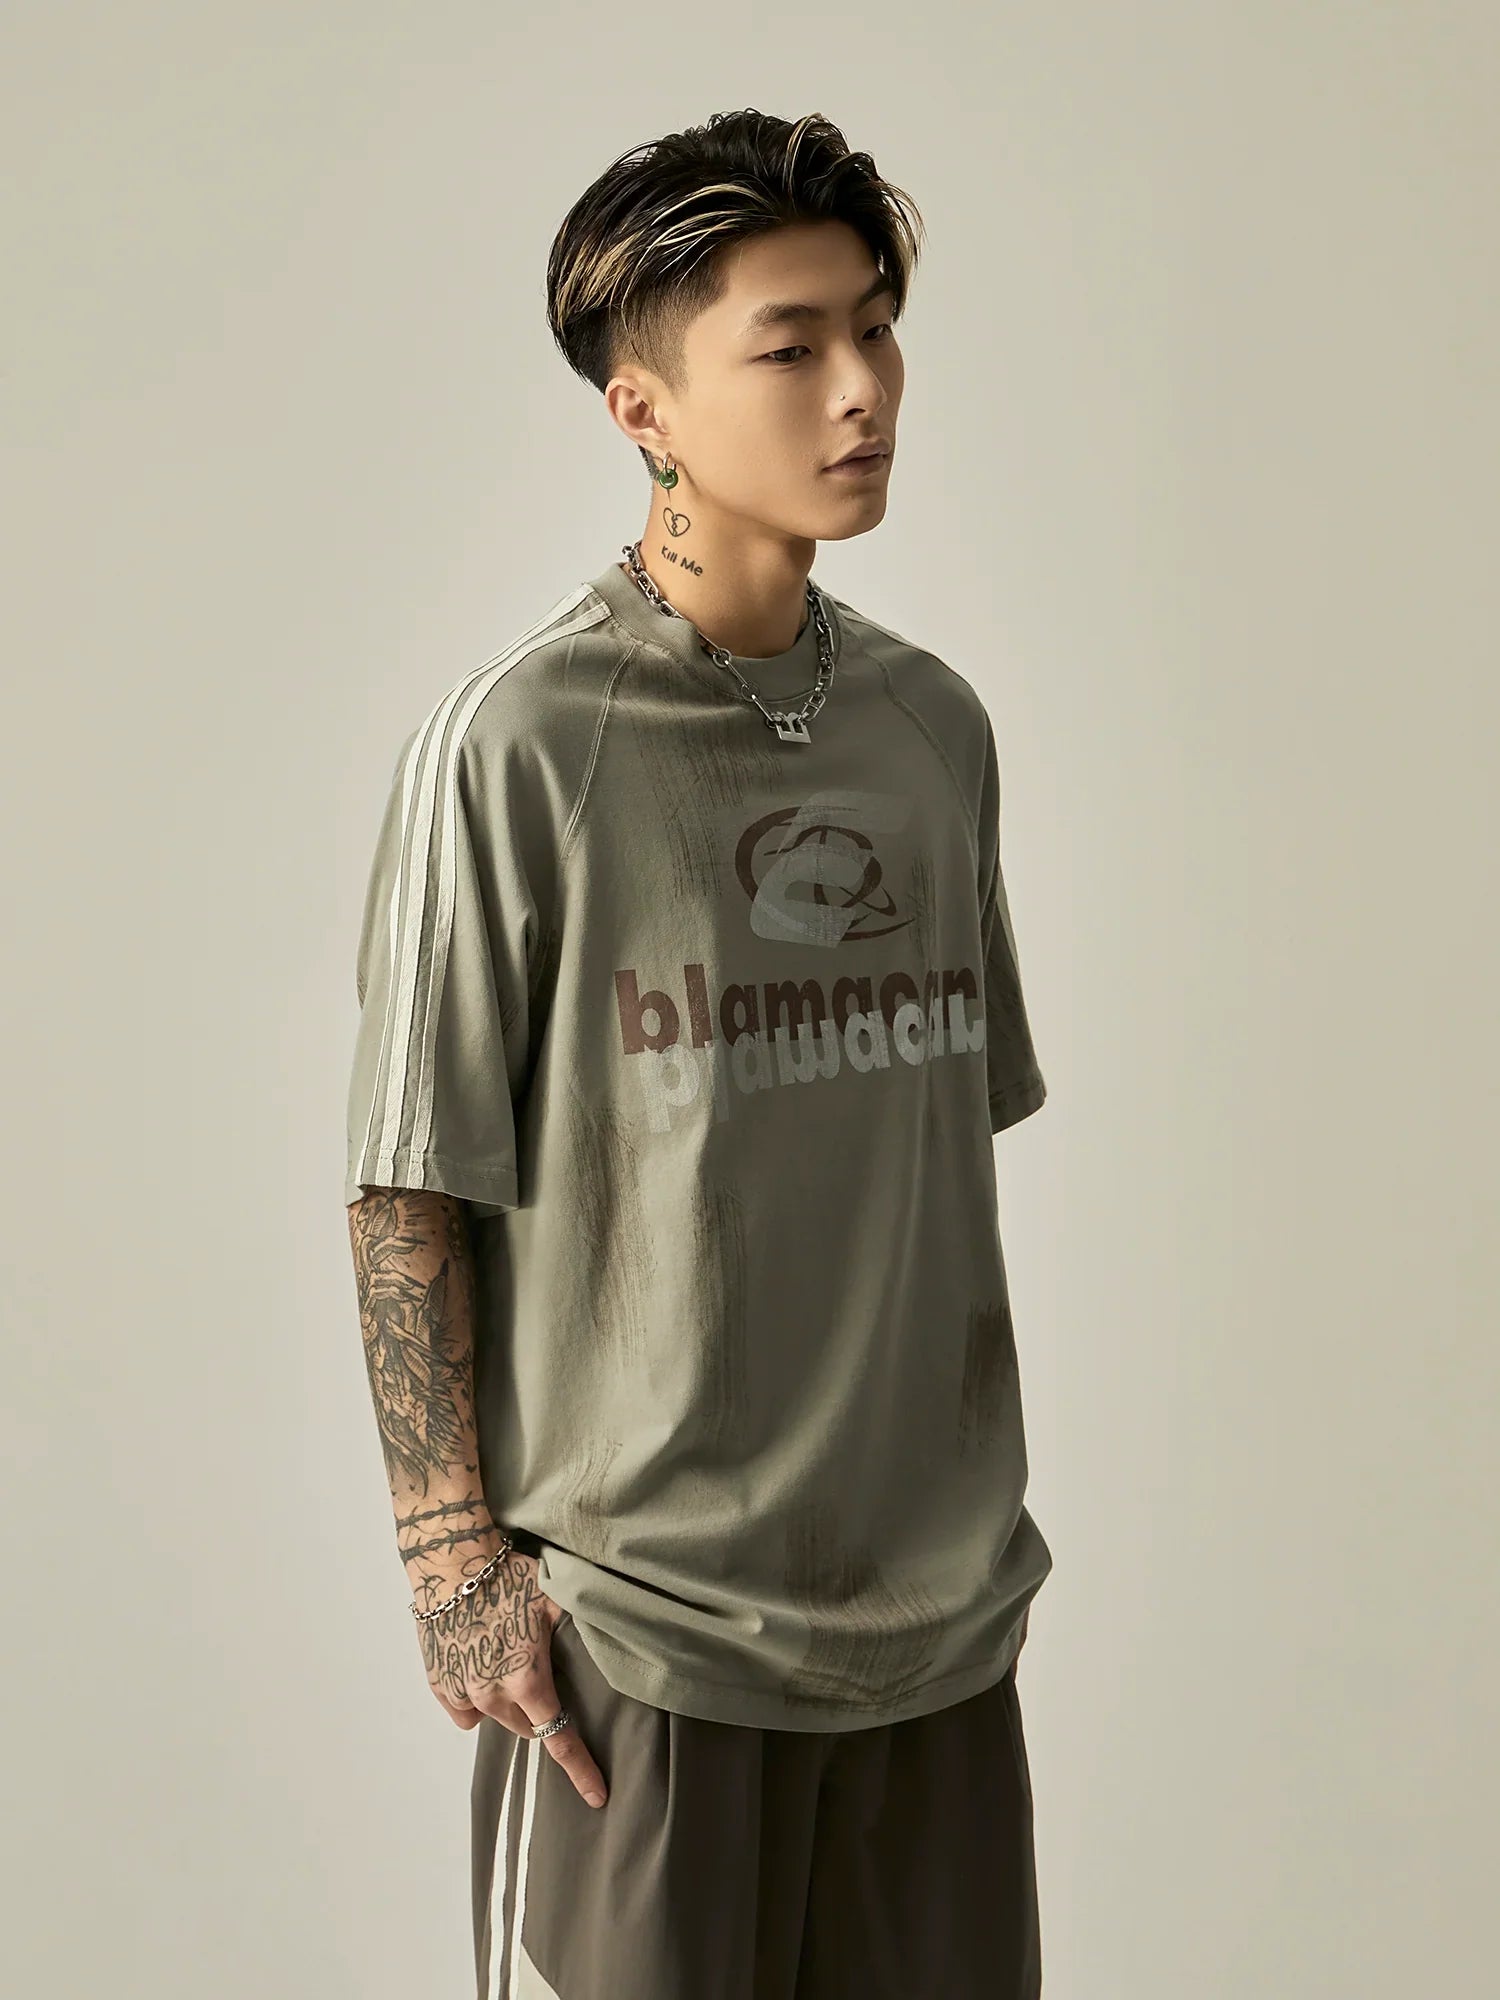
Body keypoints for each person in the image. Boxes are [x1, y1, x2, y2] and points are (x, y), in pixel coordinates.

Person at [344, 107, 1052, 2000]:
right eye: (791, 345)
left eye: (876, 328)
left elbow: (921, 1155)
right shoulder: (519, 749)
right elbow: (408, 1181)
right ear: (643, 409)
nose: (862, 387)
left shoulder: (935, 733)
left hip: (941, 1643)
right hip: (641, 1658)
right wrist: (451, 1567)